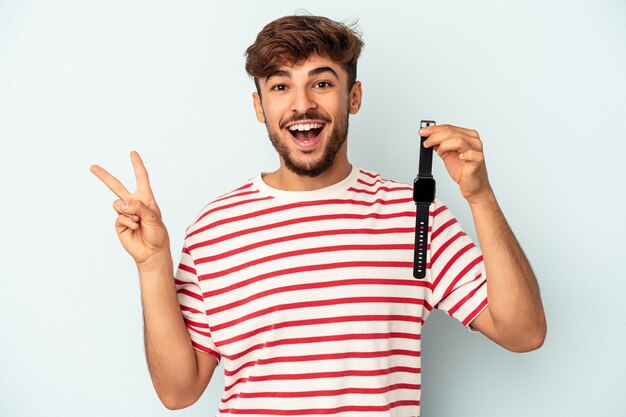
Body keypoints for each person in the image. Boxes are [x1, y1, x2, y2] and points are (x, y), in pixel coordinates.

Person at [90, 14, 546, 416]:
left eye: (322, 83)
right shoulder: (214, 228)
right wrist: (152, 265)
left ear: (354, 97)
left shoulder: (414, 215)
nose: (301, 104)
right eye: (281, 86)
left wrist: (480, 197)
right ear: (259, 106)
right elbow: (178, 391)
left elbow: (523, 332)